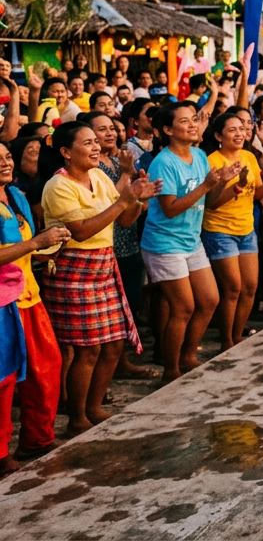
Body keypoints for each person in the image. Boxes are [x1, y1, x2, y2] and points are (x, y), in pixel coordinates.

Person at [39, 121, 159, 431]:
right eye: (87, 143)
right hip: (74, 269)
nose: (95, 147)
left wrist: (138, 199)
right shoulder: (58, 185)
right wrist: (124, 198)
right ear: (66, 152)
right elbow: (80, 232)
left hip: (104, 266)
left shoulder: (98, 177)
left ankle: (94, 407)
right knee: (87, 348)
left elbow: (124, 220)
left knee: (114, 344)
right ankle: (77, 417)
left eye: (96, 142)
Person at [142, 102, 242, 382]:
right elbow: (171, 208)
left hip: (191, 240)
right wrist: (207, 185)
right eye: (185, 121)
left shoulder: (199, 155)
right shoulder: (163, 162)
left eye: (194, 120)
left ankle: (187, 355)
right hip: (164, 243)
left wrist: (225, 184)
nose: (193, 125)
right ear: (167, 130)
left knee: (210, 299)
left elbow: (208, 202)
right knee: (183, 307)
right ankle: (170, 369)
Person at [0, 142, 71, 473]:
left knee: (47, 366)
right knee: (4, 380)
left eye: (7, 157)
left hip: (29, 294)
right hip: (4, 303)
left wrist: (48, 250)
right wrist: (36, 243)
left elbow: (25, 249)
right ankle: (1, 455)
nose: (5, 163)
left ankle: (37, 440)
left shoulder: (15, 196)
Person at [202, 112, 263, 350]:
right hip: (219, 231)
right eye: (232, 130)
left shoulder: (249, 157)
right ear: (219, 135)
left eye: (241, 129)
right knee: (232, 289)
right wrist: (236, 185)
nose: (239, 134)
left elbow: (257, 195)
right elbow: (211, 203)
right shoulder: (212, 161)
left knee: (250, 288)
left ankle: (238, 335)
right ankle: (226, 341)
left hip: (246, 229)